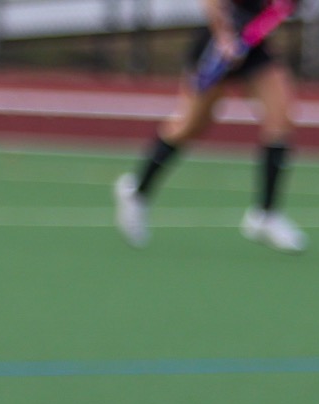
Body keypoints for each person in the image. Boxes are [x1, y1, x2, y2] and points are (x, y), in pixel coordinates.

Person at [112, 0, 306, 252]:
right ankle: (137, 191)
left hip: (253, 46)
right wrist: (224, 36)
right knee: (189, 127)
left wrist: (254, 35)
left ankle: (265, 215)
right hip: (218, 45)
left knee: (281, 119)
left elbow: (275, 12)